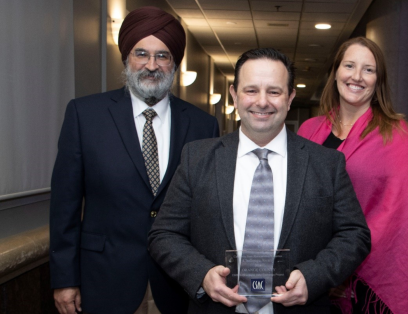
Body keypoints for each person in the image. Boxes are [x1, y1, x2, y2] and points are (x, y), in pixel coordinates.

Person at [147, 48, 371, 314]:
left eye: (274, 92)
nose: (262, 102)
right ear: (235, 95)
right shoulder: (197, 158)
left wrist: (314, 276)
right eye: (251, 90)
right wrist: (202, 274)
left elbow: (355, 236)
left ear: (290, 98)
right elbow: (163, 234)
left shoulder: (327, 164)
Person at [49, 6, 219, 314]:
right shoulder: (85, 115)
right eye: (141, 53)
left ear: (175, 63)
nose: (151, 65)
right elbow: (65, 206)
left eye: (163, 55)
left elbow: (207, 210)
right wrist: (64, 280)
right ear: (127, 57)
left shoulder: (203, 126)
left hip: (177, 285)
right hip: (103, 279)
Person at [298, 37, 408, 314]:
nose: (357, 77)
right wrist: (319, 270)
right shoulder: (308, 130)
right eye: (349, 66)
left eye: (368, 69)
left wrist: (338, 266)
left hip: (364, 284)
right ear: (335, 72)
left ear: (378, 80)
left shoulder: (397, 134)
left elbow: (397, 218)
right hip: (307, 277)